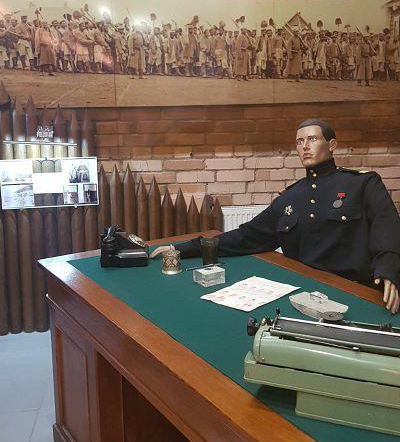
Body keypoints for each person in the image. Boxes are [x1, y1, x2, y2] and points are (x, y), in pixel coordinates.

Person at [151, 119, 400, 314]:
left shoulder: (362, 184)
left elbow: (387, 227)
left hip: (355, 291)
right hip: (304, 296)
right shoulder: (289, 198)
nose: (305, 146)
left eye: (312, 139)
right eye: (299, 141)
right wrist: (181, 249)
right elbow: (246, 237)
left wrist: (389, 269)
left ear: (332, 145)